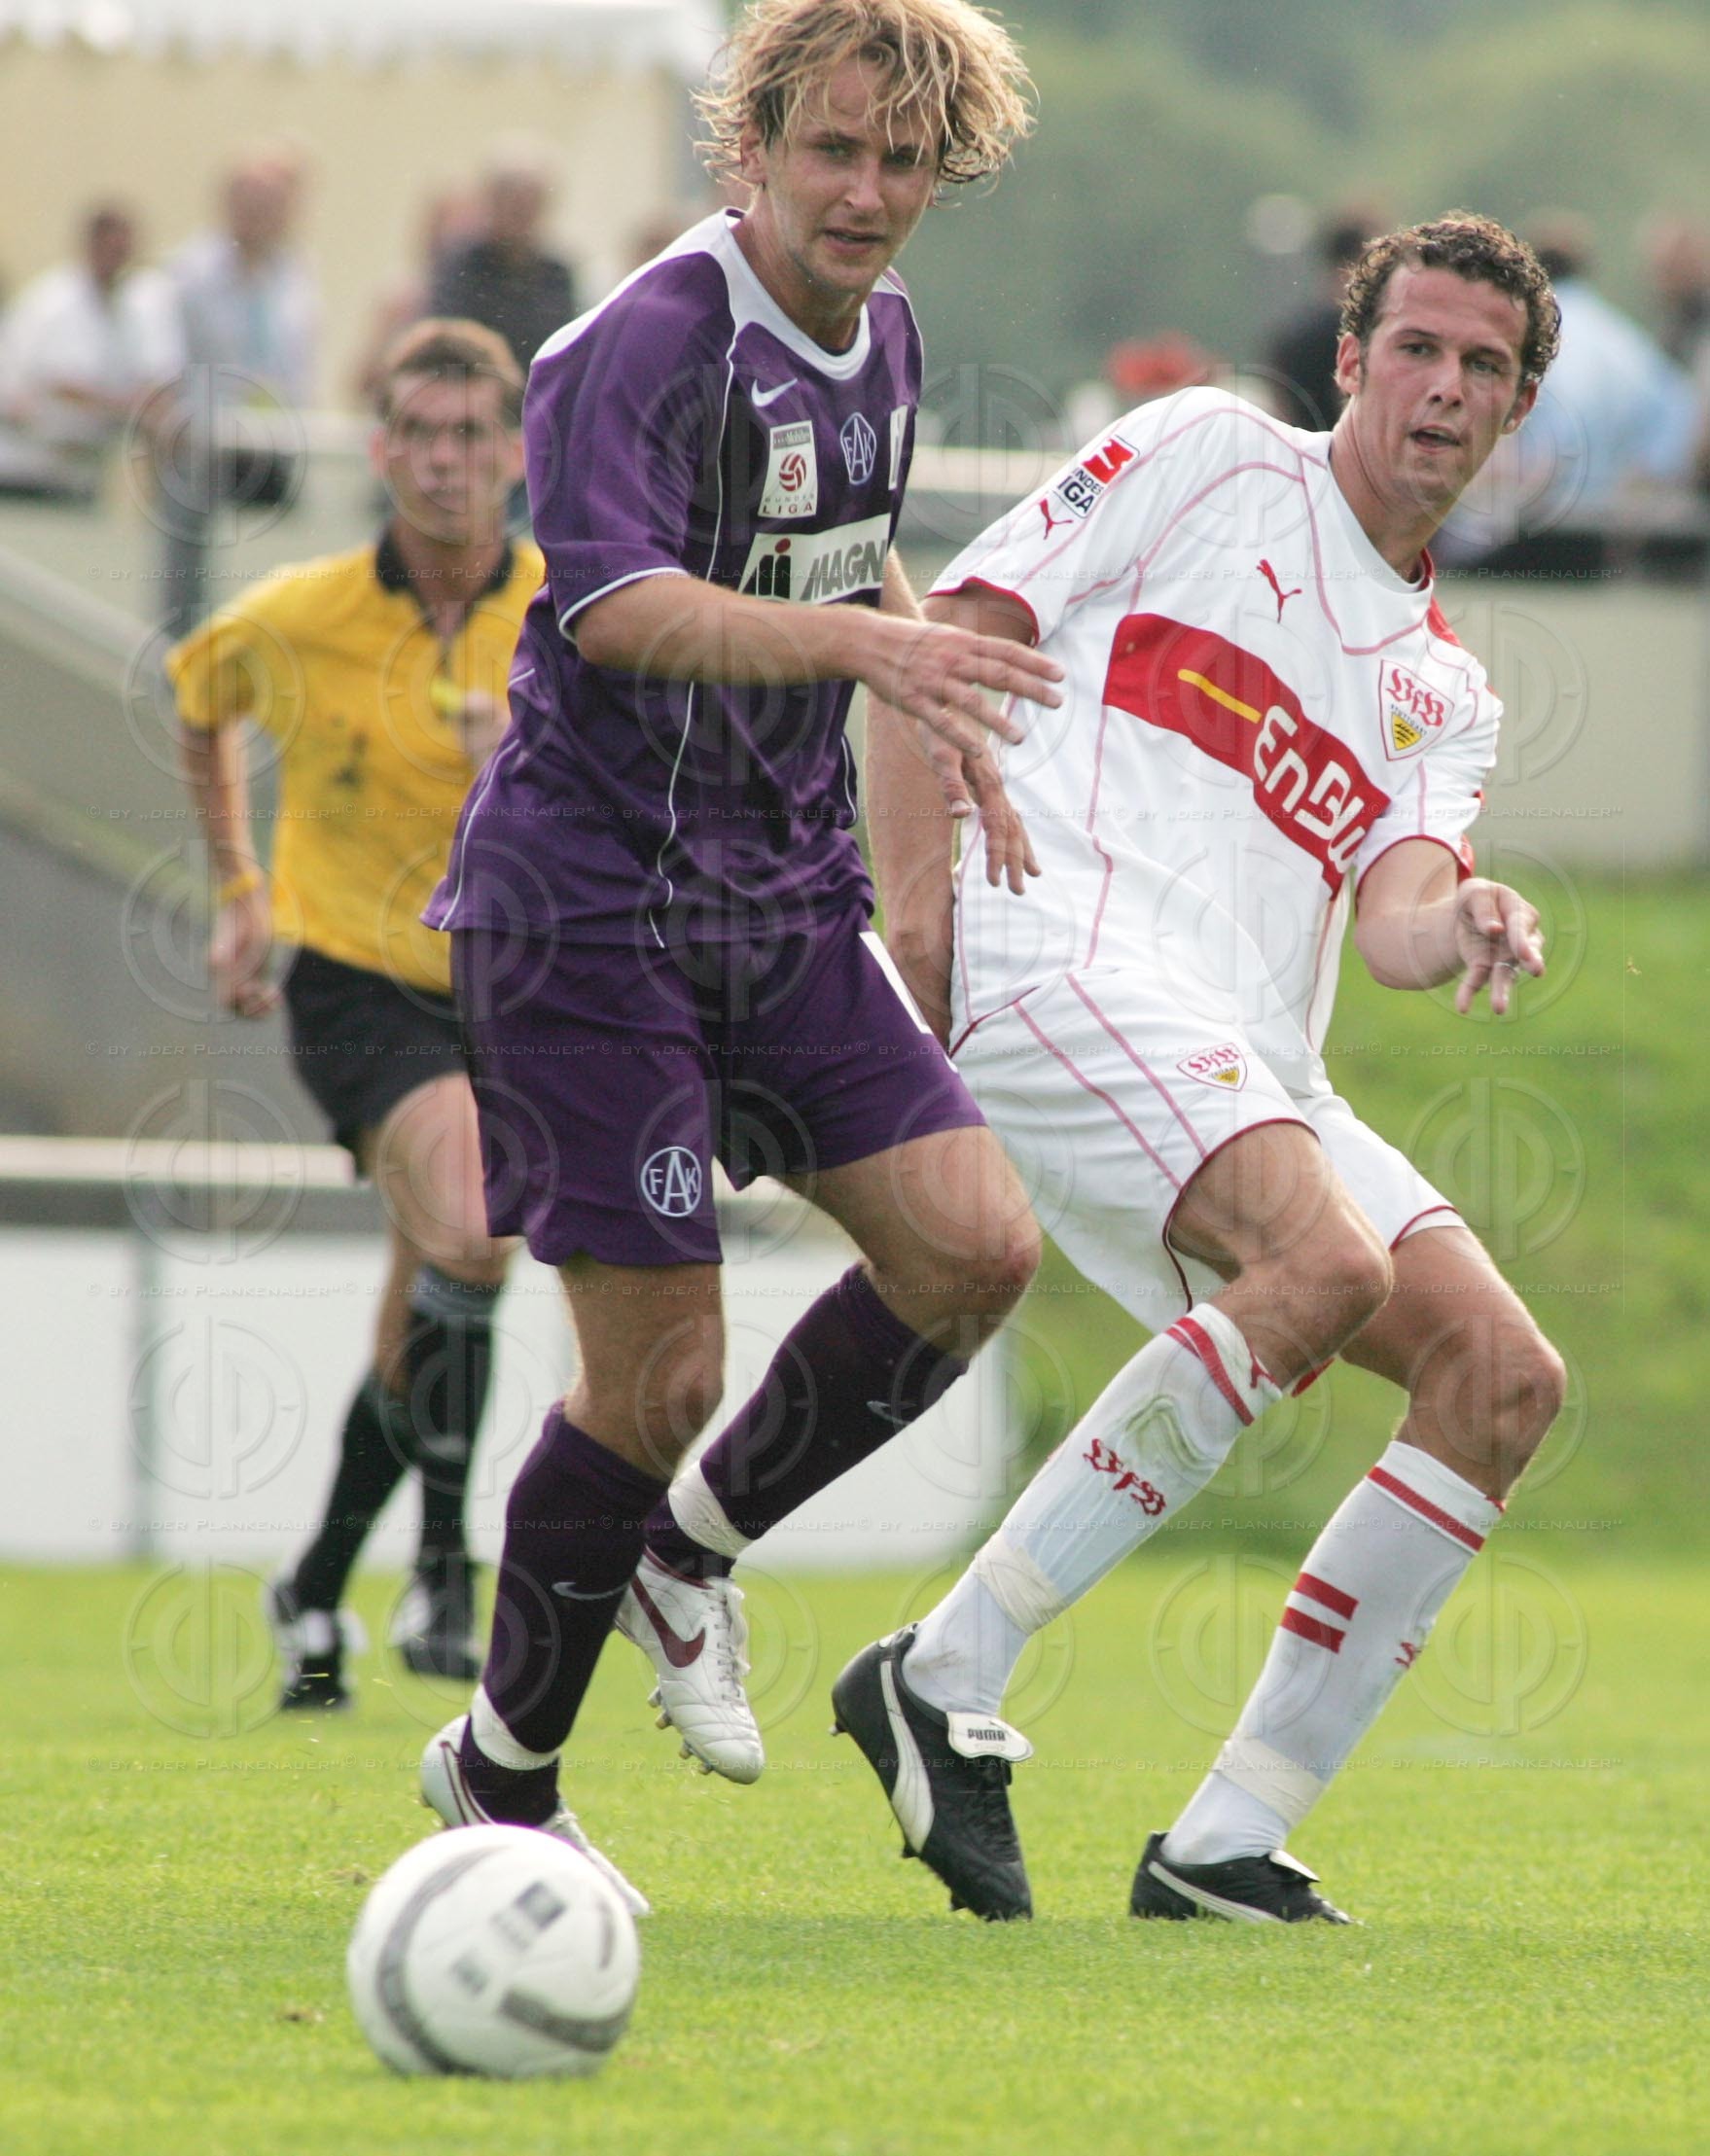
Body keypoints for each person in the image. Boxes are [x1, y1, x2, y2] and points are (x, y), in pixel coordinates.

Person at [677, 211, 1568, 1926]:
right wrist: (919, 912)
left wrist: (1461, 918)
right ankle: (944, 1669)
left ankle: (1224, 1839)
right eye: (1415, 349)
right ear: (1350, 358)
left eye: (1480, 367)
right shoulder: (1205, 451)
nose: (1440, 388)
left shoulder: (1442, 692)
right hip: (1054, 938)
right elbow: (950, 636)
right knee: (1317, 1260)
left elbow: (1389, 911)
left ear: (1516, 406)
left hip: (1245, 1044)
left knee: (1499, 1375)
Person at [413, 0, 1057, 1918]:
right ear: (749, 144)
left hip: (779, 899)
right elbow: (610, 607)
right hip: (590, 907)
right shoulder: (641, 344)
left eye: (903, 159)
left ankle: (686, 1557)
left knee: (974, 1248)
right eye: (833, 149)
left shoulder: (892, 337)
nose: (866, 191)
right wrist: (875, 653)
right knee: (659, 1370)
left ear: (944, 168)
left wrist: (930, 679)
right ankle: (502, 1773)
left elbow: (842, 558)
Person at [168, 320, 543, 1712]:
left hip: (517, 989)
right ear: (379, 449)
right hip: (355, 978)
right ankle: (449, 1566)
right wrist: (237, 890)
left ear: (514, 454)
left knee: (431, 1294)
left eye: (471, 437)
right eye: (419, 435)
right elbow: (197, 700)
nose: (444, 463)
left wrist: (532, 761)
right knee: (474, 1228)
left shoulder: (569, 609)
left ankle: (316, 1591)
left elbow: (649, 780)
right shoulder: (302, 610)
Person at [0, 202, 183, 498]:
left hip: (90, 468)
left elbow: (157, 375)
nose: (116, 258)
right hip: (29, 464)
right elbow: (62, 385)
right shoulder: (53, 301)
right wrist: (130, 407)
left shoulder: (139, 303)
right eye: (110, 248)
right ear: (89, 244)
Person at [427, 146, 577, 374]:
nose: (521, 213)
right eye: (513, 202)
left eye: (531, 203)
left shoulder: (557, 273)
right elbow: (449, 341)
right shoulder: (461, 264)